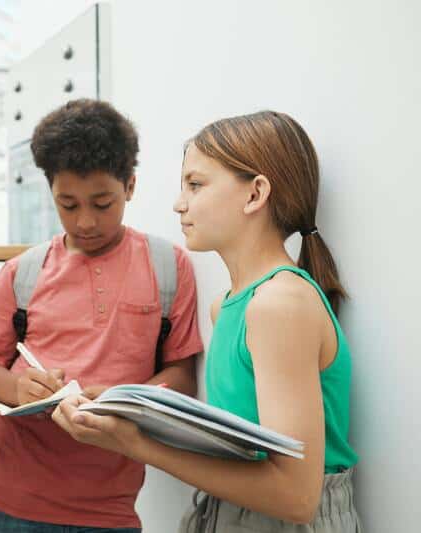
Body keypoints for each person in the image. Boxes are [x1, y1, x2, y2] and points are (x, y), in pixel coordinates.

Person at [54, 110, 361, 532]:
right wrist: (130, 409)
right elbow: (243, 440)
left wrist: (135, 443)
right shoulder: (229, 305)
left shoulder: (278, 306)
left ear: (255, 195)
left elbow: (296, 496)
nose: (179, 203)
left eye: (195, 185)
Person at [0, 99, 203, 532]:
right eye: (68, 205)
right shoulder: (23, 273)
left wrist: (126, 399)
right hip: (4, 499)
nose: (86, 221)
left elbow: (181, 372)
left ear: (130, 186)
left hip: (108, 508)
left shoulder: (168, 267)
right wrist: (18, 389)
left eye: (103, 203)